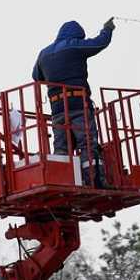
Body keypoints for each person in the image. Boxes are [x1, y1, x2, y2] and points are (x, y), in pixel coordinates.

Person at [32, 19, 115, 188]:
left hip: (57, 111)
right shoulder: (74, 46)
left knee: (62, 148)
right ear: (77, 35)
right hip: (78, 106)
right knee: (87, 145)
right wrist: (107, 29)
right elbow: (99, 43)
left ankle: (64, 181)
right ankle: (95, 181)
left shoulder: (44, 54)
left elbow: (36, 77)